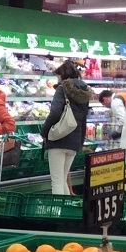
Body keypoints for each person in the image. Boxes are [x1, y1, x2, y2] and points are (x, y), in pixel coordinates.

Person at [40, 60, 90, 195]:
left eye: (58, 76)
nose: (58, 79)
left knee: (56, 180)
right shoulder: (84, 90)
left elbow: (55, 112)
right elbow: (84, 118)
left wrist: (44, 132)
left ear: (63, 75)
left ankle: (58, 213)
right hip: (74, 141)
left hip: (59, 139)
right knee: (62, 179)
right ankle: (65, 209)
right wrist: (80, 141)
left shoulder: (62, 88)